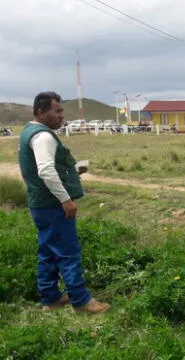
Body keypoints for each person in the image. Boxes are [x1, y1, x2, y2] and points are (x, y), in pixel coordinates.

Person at [18, 91, 110, 314]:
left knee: (48, 252)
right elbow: (46, 170)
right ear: (40, 112)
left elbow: (43, 168)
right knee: (68, 252)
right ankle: (82, 302)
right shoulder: (44, 136)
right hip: (52, 205)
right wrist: (66, 199)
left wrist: (73, 171)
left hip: (39, 204)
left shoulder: (29, 131)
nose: (61, 116)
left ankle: (50, 299)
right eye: (56, 111)